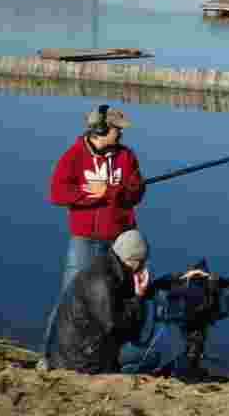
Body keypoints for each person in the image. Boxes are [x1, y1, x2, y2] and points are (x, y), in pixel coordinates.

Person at [41, 105, 146, 367]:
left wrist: (116, 190)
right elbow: (57, 193)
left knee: (120, 297)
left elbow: (136, 191)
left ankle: (116, 355)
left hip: (119, 243)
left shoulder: (127, 156)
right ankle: (47, 357)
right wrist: (90, 195)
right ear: (100, 129)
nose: (120, 134)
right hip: (84, 239)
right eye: (116, 129)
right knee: (69, 294)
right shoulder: (73, 156)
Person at [50, 229, 154, 374]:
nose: (143, 267)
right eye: (142, 262)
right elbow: (116, 327)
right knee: (151, 355)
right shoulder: (102, 282)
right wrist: (138, 297)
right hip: (80, 362)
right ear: (132, 261)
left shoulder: (107, 266)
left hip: (76, 351)